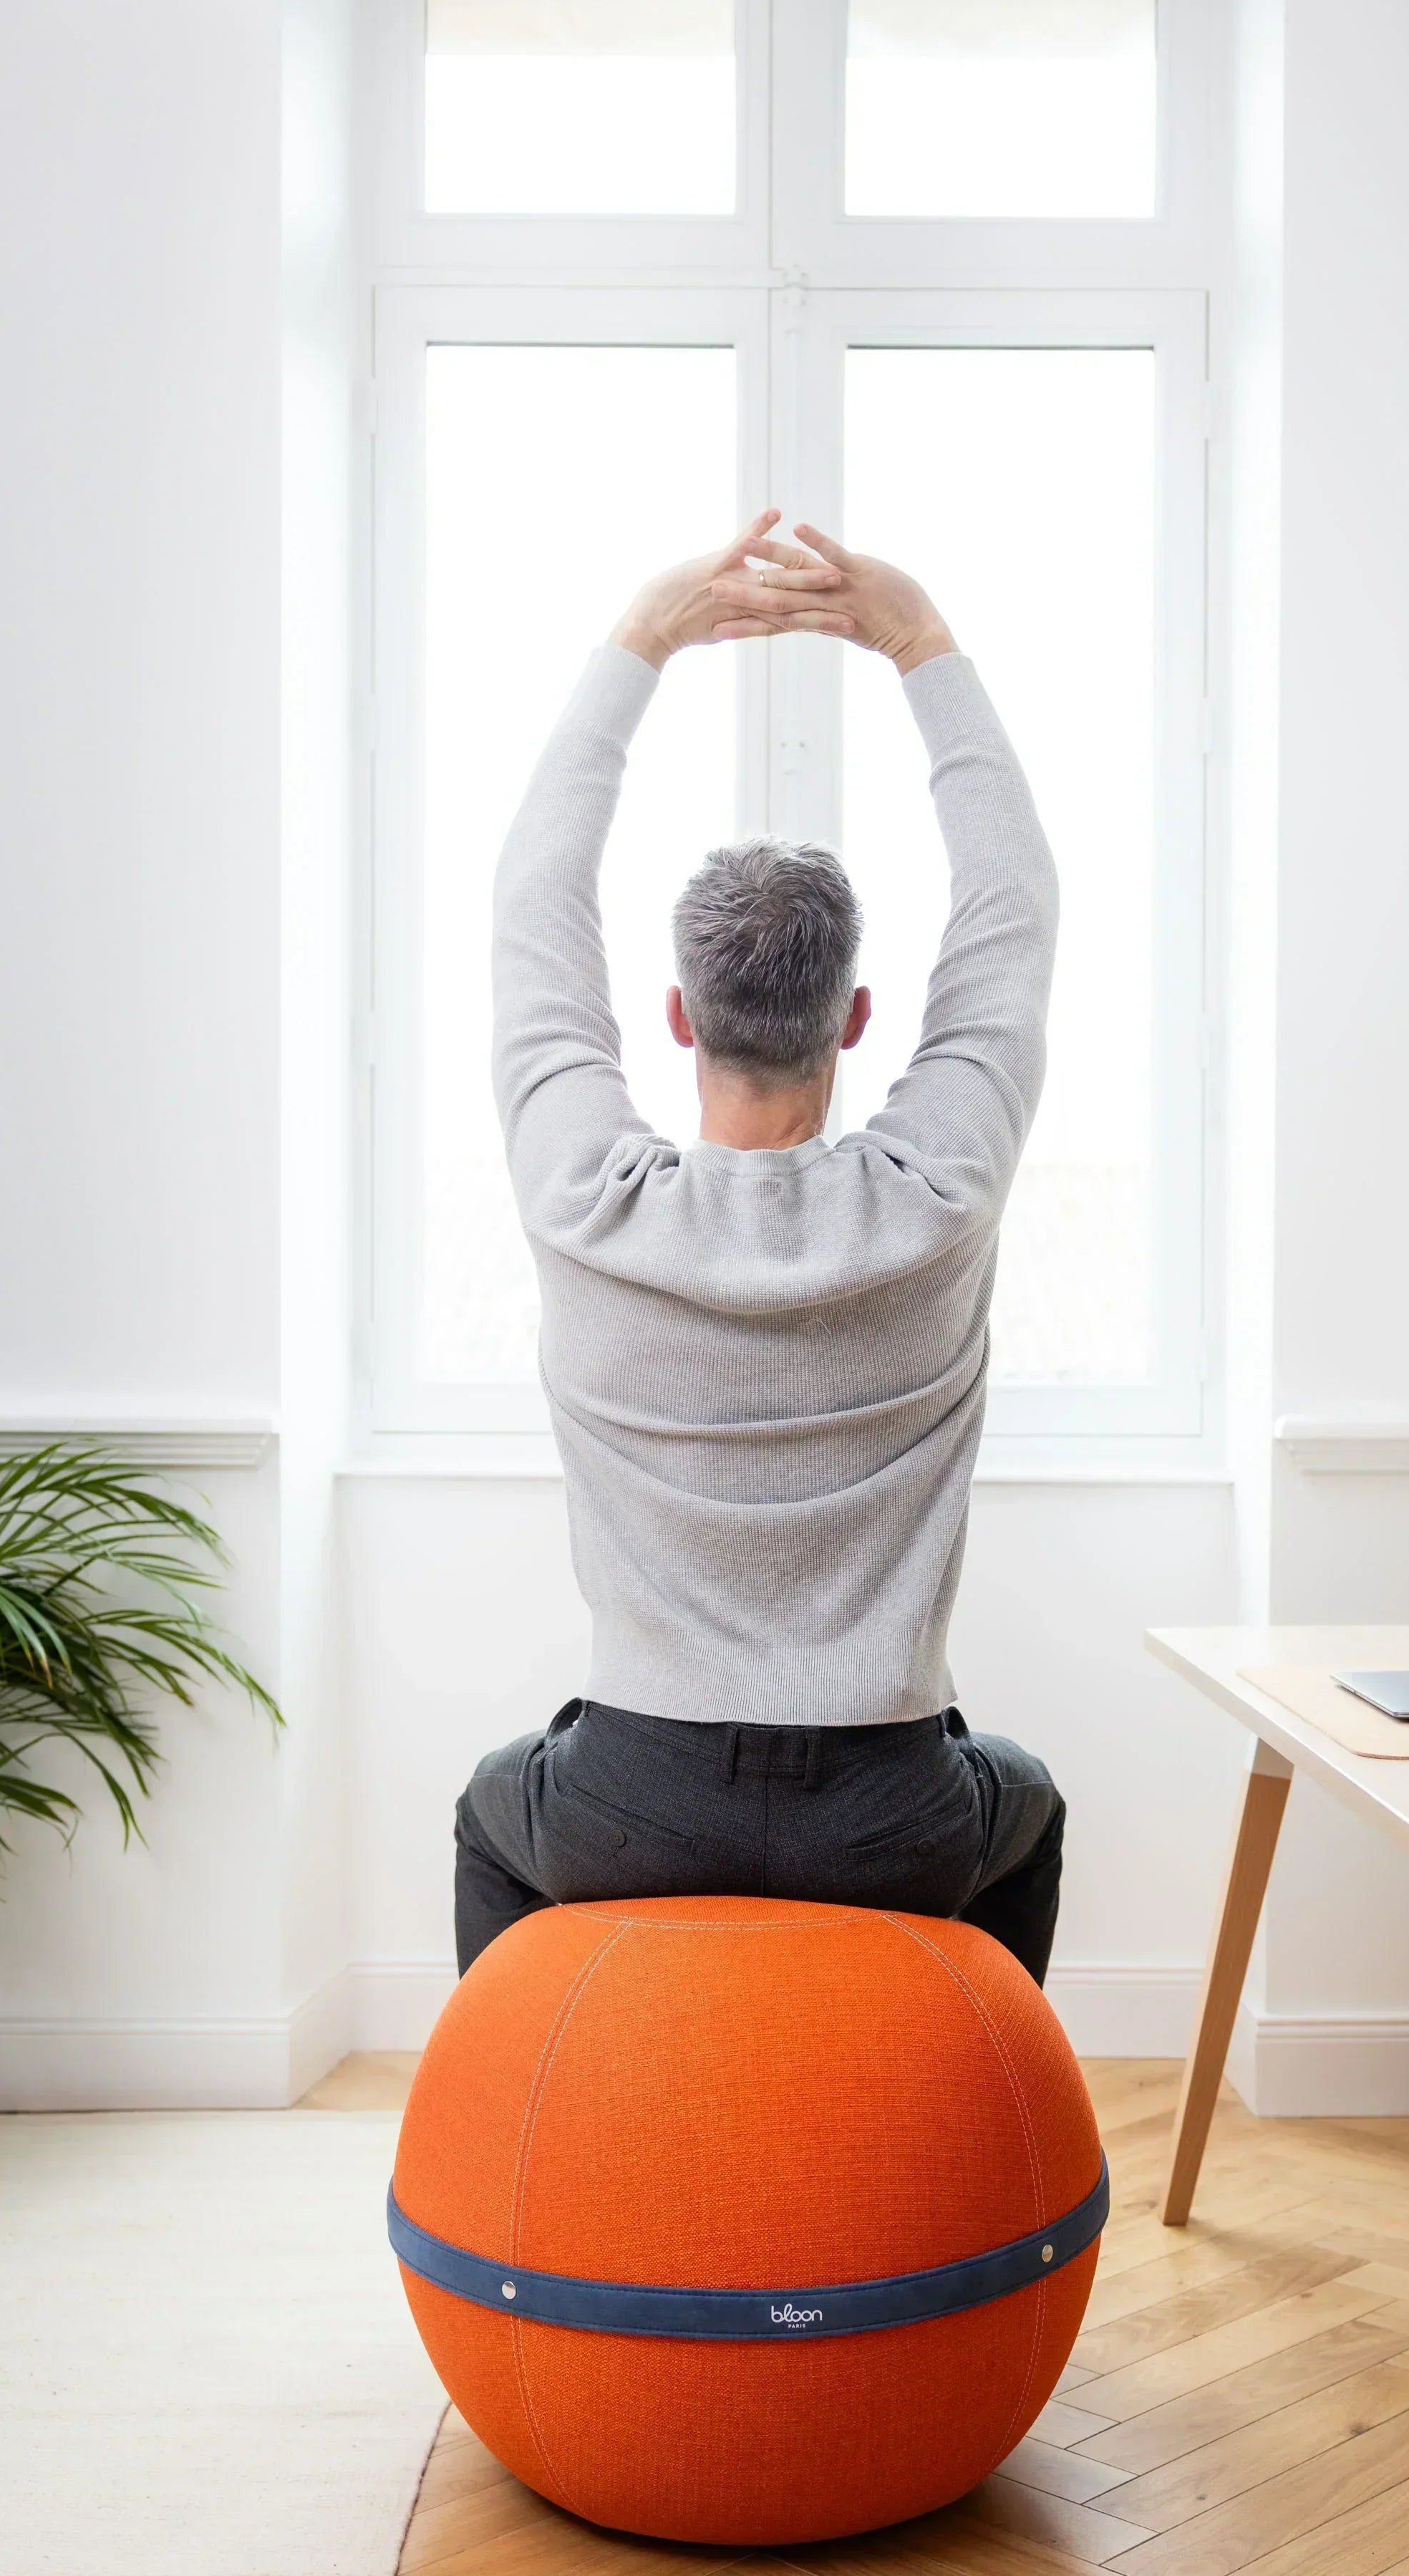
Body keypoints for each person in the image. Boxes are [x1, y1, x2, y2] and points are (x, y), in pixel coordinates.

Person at [453, 508, 1066, 1986]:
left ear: (674, 1014)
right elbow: (1012, 905)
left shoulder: (581, 1197)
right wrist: (917, 638)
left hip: (628, 1802)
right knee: (1026, 1799)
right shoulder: (938, 1192)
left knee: (489, 1805)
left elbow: (531, 900)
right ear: (857, 1017)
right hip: (893, 1810)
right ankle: (963, 2163)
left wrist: (640, 639)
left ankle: (525, 2180)